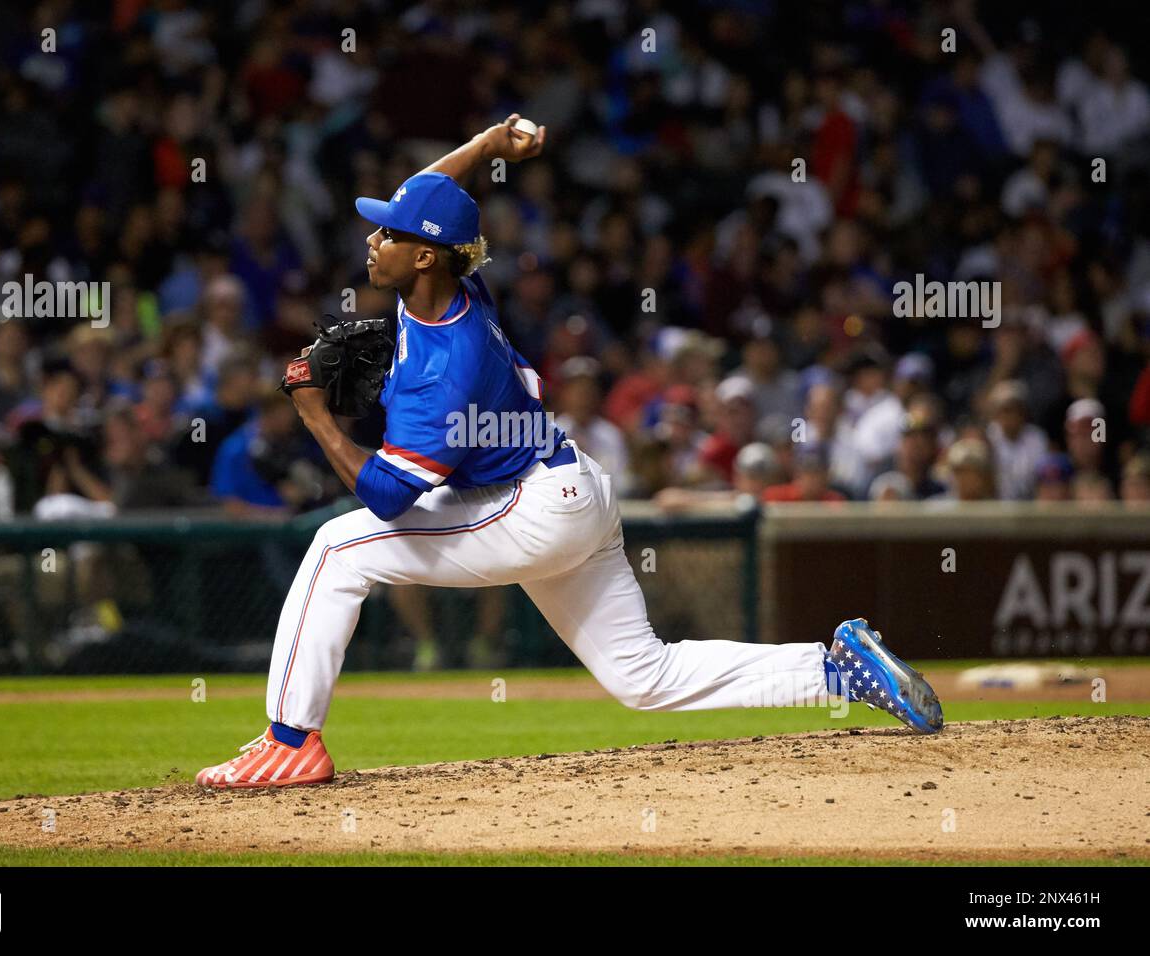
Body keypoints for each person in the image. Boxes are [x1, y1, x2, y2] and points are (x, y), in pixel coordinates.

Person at [195, 117, 943, 789]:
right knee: (643, 675)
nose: (373, 239)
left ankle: (291, 741)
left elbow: (389, 497)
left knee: (336, 547)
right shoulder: (453, 283)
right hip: (568, 487)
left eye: (389, 235)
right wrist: (487, 146)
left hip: (527, 511)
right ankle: (835, 668)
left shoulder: (441, 367)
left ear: (425, 256)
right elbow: (428, 190)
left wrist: (316, 414)